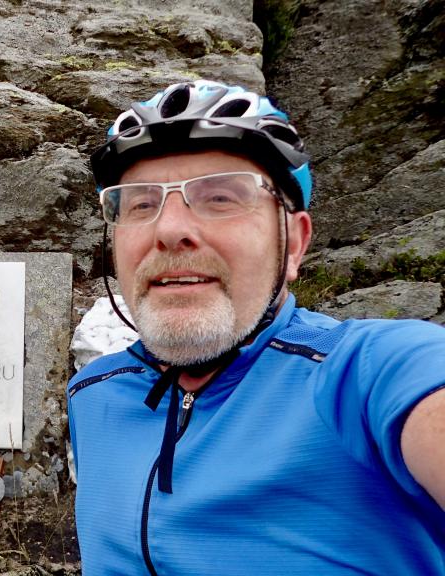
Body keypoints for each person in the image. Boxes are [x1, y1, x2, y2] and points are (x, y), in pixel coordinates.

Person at [67, 80, 445, 575]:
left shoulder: (368, 374)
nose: (169, 230)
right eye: (139, 204)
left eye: (221, 197)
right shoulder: (92, 394)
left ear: (293, 244)